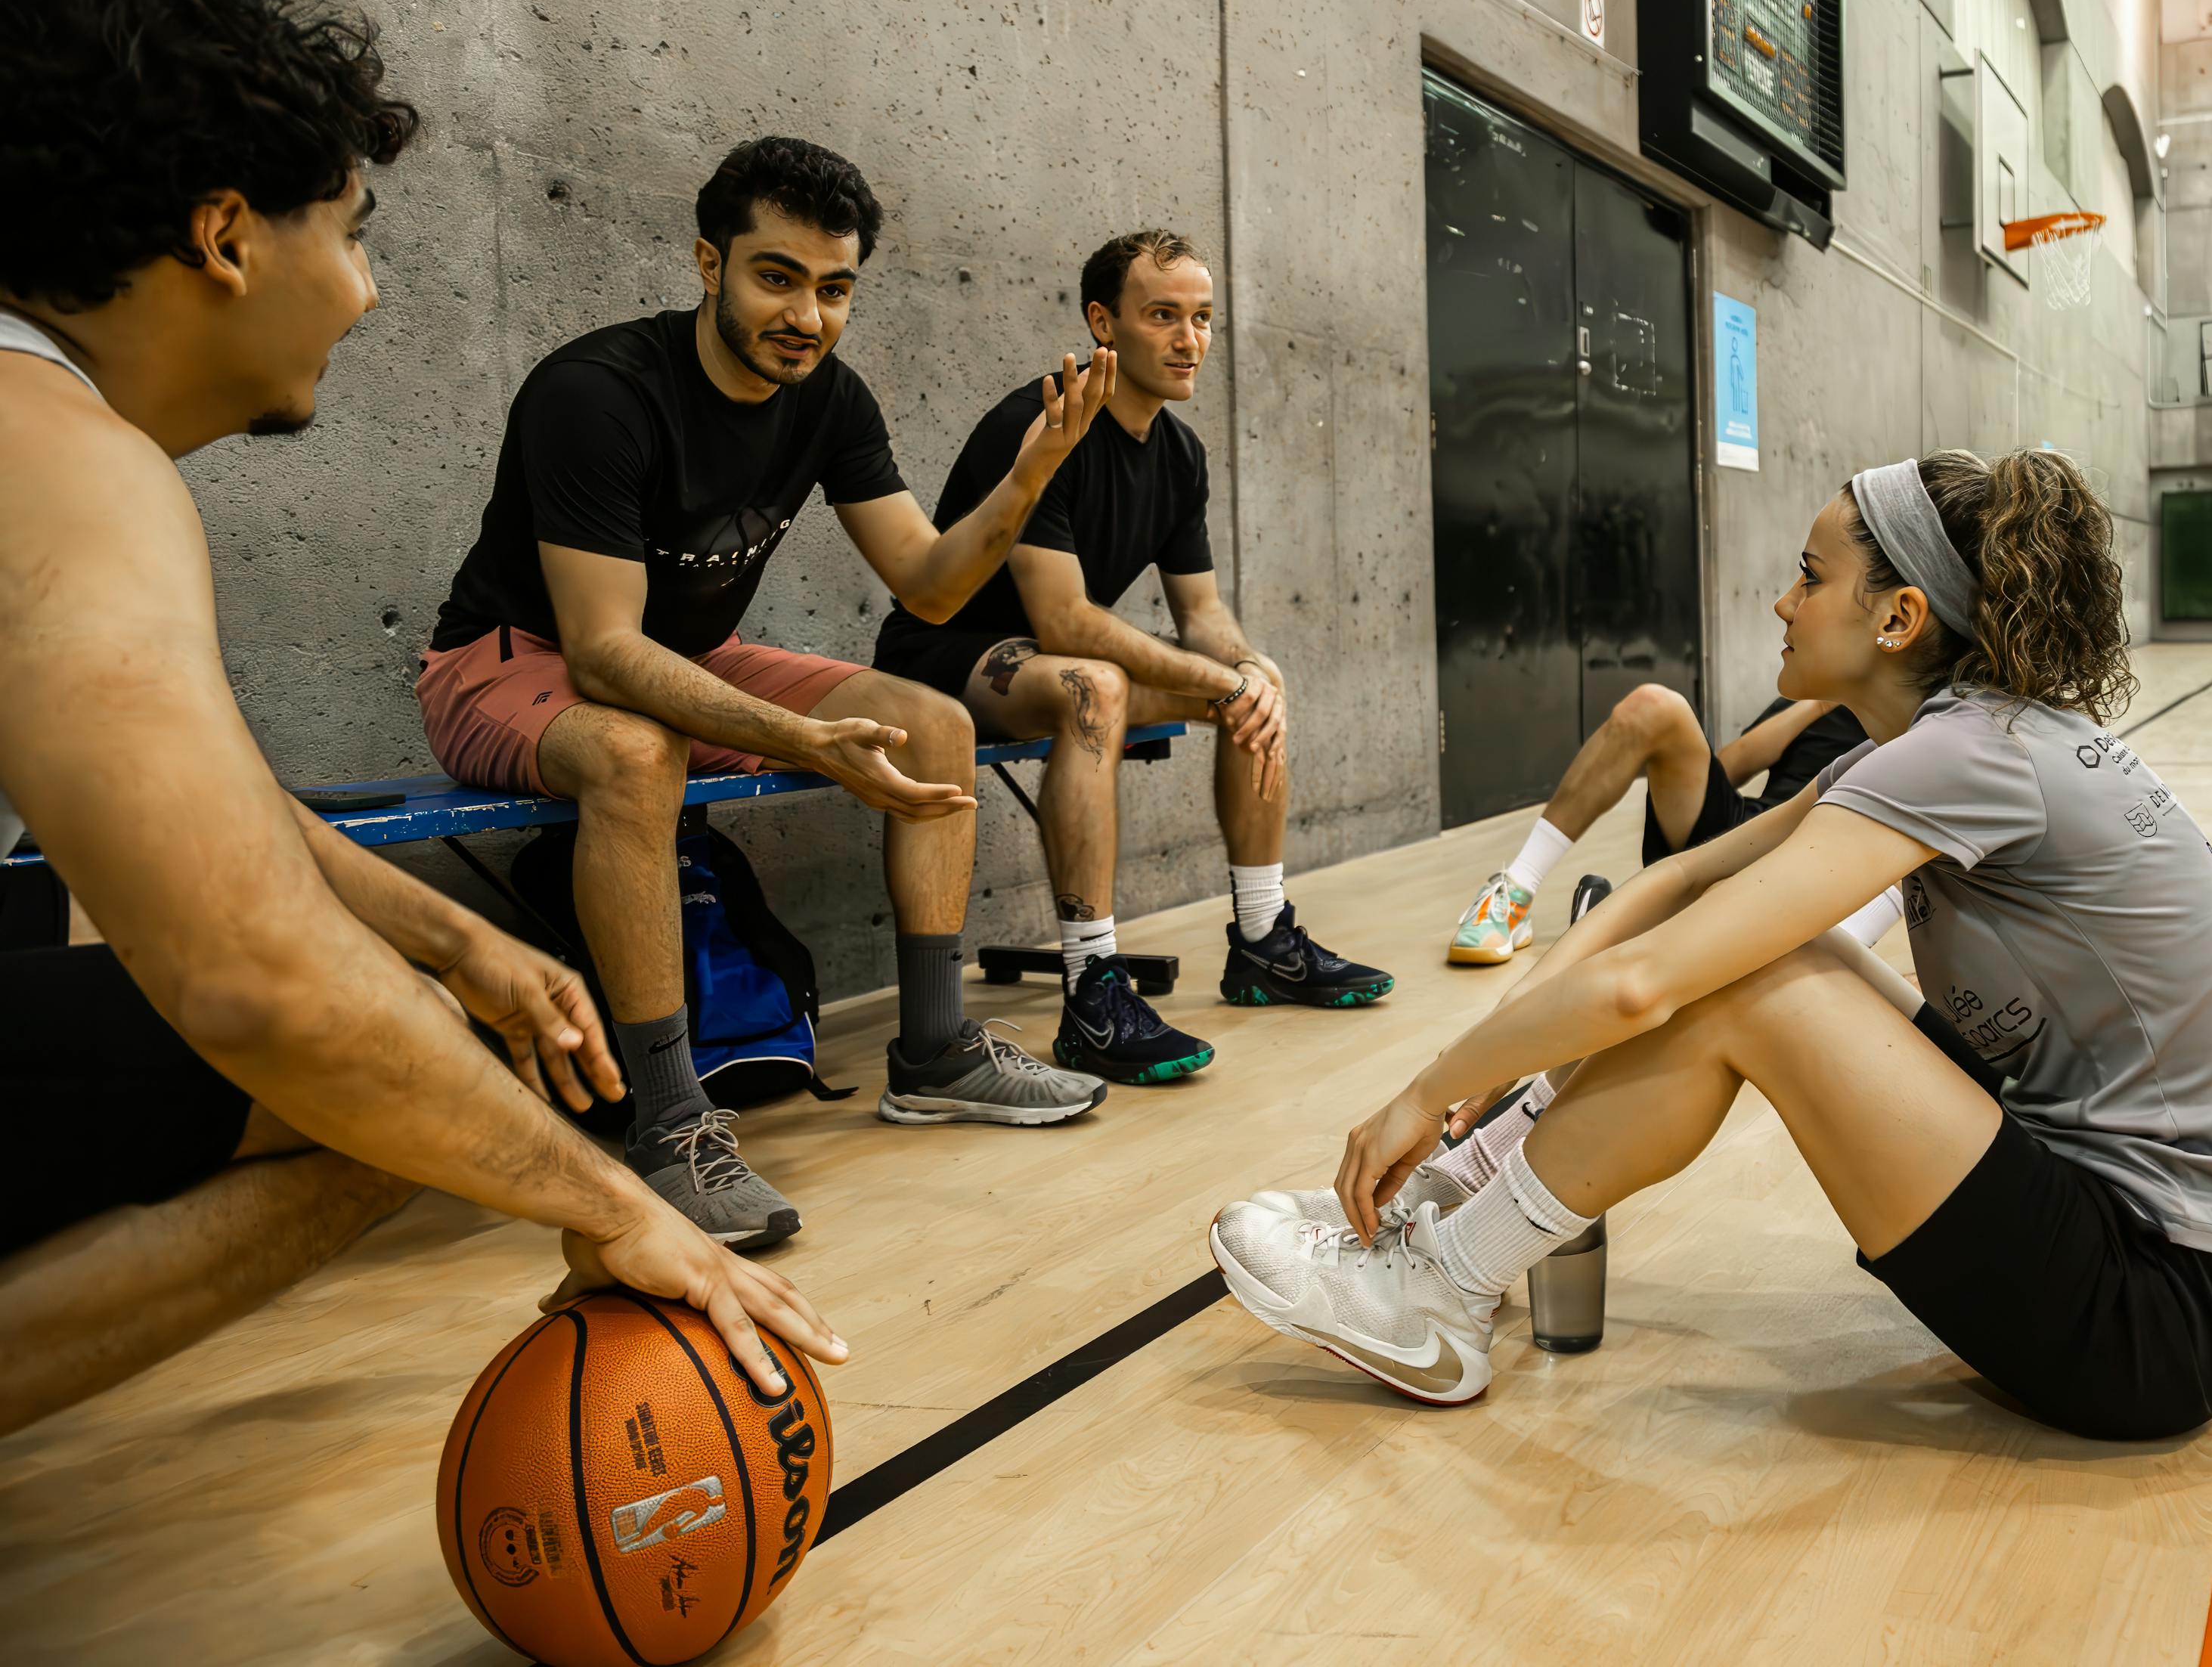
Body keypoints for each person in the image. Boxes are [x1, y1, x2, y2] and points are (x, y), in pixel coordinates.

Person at [0, 0, 844, 1435]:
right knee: (392, 1080)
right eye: (350, 231)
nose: (369, 291)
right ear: (223, 235)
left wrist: (457, 935)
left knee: (369, 1010)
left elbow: (198, 818)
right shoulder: (64, 459)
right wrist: (596, 1194)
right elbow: (254, 976)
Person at [1214, 451, 2212, 1440]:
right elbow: (1678, 880)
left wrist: (1427, 1084)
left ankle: (1444, 1289)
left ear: (1899, 617)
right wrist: (1482, 1077)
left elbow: (1644, 984)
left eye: (1810, 577)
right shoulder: (1963, 733)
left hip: (2157, 1313)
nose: (1783, 602)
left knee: (1750, 983)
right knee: (1769, 955)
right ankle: (1457, 1198)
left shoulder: (1967, 753)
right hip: (2107, 1225)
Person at [422, 138, 1114, 1251]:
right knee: (635, 752)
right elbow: (601, 655)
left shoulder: (831, 400)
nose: (808, 314)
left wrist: (1030, 473)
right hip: (506, 661)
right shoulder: (595, 393)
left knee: (935, 720)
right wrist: (803, 737)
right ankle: (669, 1120)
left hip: (687, 658)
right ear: (709, 263)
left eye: (834, 289)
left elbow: (931, 590)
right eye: (776, 277)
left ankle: (934, 1051)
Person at [874, 230, 1393, 1086]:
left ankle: (1264, 940)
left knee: (1254, 689)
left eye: (1202, 318)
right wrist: (1219, 675)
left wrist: (1251, 669)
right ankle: (1092, 988)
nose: (1191, 339)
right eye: (1163, 316)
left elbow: (1202, 614)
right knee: (1095, 685)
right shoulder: (1045, 422)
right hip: (943, 655)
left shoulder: (1180, 453)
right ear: (1103, 323)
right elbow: (1067, 621)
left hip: (1048, 657)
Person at [1444, 683, 1900, 965]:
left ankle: (1628, 927)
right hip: (1748, 832)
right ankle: (1519, 886)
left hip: (1812, 875)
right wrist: (1817, 704)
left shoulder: (1934, 716)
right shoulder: (1821, 690)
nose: (1790, 606)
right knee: (1653, 706)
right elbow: (1731, 767)